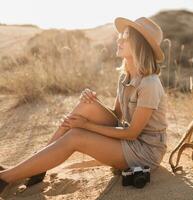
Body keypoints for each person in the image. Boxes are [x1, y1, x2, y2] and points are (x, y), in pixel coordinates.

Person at [0, 16, 168, 194]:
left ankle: (5, 178)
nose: (119, 39)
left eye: (125, 37)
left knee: (76, 136)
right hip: (128, 138)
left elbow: (132, 133)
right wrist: (93, 102)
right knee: (86, 106)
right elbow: (117, 116)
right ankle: (37, 167)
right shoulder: (125, 76)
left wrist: (85, 125)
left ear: (139, 44)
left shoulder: (149, 84)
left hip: (144, 151)